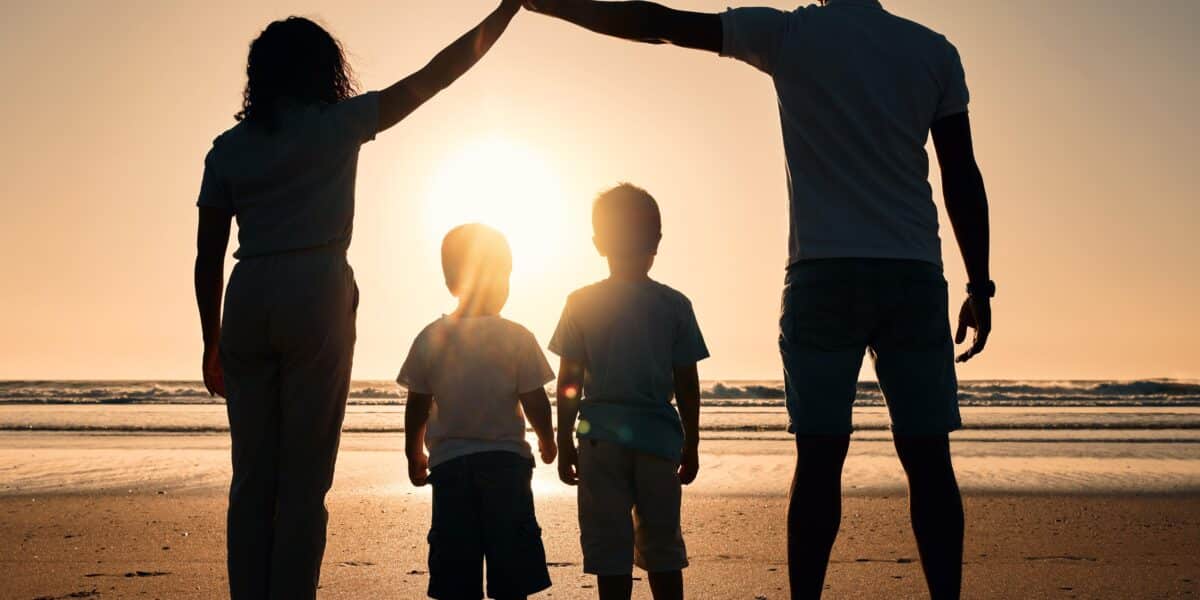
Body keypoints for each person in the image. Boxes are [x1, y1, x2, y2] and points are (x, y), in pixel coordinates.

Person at [522, 1, 993, 599]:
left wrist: (553, 4)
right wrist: (979, 283)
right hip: (912, 273)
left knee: (819, 460)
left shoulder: (791, 33)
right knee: (929, 461)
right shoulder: (932, 50)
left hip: (824, 276)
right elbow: (962, 174)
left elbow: (661, 23)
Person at [192, 3, 526, 598]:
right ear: (325, 70)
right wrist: (506, 11)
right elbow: (436, 75)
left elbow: (207, 257)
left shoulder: (228, 148)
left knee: (253, 477)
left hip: (249, 291)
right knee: (304, 478)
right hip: (316, 288)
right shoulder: (338, 124)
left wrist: (210, 339)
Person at [551, 184, 708, 600]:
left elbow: (568, 380)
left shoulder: (581, 302)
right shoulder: (674, 304)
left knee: (610, 548)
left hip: (600, 438)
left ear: (599, 242)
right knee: (662, 546)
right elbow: (686, 383)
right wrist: (692, 441)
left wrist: (564, 439)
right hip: (657, 437)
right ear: (656, 240)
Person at [398, 224, 557, 600]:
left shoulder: (432, 336)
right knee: (512, 571)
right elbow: (535, 398)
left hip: (451, 467)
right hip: (506, 466)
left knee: (456, 571)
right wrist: (550, 440)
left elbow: (418, 402)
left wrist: (413, 451)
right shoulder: (516, 336)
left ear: (451, 280)